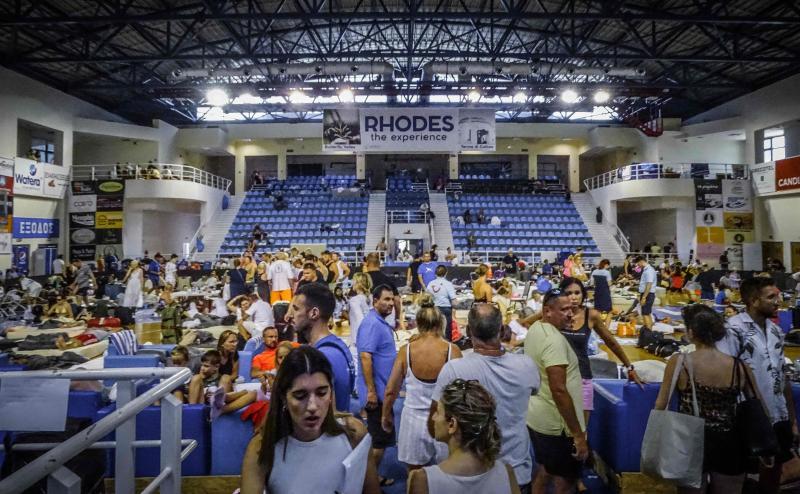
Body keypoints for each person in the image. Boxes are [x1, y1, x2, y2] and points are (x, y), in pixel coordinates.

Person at [240, 346, 380, 494]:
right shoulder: (262, 447)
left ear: (331, 392)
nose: (312, 406)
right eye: (300, 396)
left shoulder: (353, 434)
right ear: (284, 398)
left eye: (321, 393)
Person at [431, 304, 539, 490]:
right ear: (502, 329)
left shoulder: (454, 369)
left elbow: (434, 424)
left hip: (469, 475)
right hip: (515, 472)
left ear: (469, 331)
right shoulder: (527, 366)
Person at [655, 305, 757, 494]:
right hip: (729, 441)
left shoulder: (680, 362)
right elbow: (757, 406)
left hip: (689, 440)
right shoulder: (739, 366)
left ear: (691, 332)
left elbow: (661, 404)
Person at [716, 276, 799, 494]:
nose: (777, 301)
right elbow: (726, 376)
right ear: (753, 300)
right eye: (771, 297)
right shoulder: (733, 330)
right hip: (749, 417)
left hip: (777, 414)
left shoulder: (775, 331)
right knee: (747, 477)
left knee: (773, 476)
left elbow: (782, 376)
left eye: (777, 296)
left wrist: (791, 419)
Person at [382, 296, 463, 472]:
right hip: (444, 421)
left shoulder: (407, 351)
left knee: (415, 473)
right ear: (440, 323)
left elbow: (391, 390)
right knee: (447, 473)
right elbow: (462, 392)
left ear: (418, 323)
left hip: (413, 421)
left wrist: (386, 415)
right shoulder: (453, 350)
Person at [409, 379, 520, 494]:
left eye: (437, 412)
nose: (433, 418)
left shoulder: (422, 480)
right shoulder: (507, 474)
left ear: (452, 424)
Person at [525, 289, 587, 494]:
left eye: (571, 308)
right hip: (557, 426)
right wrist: (577, 434)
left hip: (537, 418)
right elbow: (559, 390)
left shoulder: (535, 328)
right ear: (547, 311)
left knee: (545, 470)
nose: (570, 313)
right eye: (564, 309)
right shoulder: (554, 342)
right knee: (565, 481)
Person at [558, 278, 643, 423]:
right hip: (558, 379)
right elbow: (526, 323)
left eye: (577, 293)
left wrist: (629, 367)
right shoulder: (555, 314)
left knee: (582, 429)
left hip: (582, 377)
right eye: (569, 293)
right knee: (559, 430)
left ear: (583, 295)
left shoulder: (591, 315)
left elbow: (611, 342)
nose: (573, 297)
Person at [285, 283, 355, 414]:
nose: (290, 315)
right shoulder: (338, 345)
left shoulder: (322, 356)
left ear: (314, 313)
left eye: (296, 309)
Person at [357, 285, 399, 485]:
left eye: (392, 299)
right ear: (375, 300)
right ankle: (366, 484)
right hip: (377, 394)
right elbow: (365, 357)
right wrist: (372, 392)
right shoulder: (372, 324)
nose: (391, 303)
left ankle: (371, 479)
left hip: (384, 392)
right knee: (379, 442)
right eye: (386, 299)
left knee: (379, 439)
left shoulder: (380, 322)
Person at [363, 252, 403, 330]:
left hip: (366, 322)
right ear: (379, 264)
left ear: (367, 263)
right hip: (386, 322)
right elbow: (397, 301)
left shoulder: (362, 281)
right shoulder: (387, 280)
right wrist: (397, 318)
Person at [427, 265, 456, 341]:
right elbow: (454, 301)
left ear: (435, 273)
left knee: (434, 330)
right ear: (446, 273)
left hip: (434, 309)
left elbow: (427, 297)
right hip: (445, 308)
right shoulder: (448, 284)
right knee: (446, 331)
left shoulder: (430, 284)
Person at [348, 272, 373, 348]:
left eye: (353, 280)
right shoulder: (372, 298)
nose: (352, 282)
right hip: (370, 338)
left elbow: (360, 320)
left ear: (358, 283)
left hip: (358, 341)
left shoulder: (354, 300)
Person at [635, 255, 657, 332]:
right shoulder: (647, 270)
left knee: (645, 314)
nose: (638, 266)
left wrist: (644, 297)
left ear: (641, 261)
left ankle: (648, 334)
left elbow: (649, 285)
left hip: (647, 294)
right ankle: (650, 332)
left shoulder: (649, 271)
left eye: (638, 264)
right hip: (648, 294)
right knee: (647, 313)